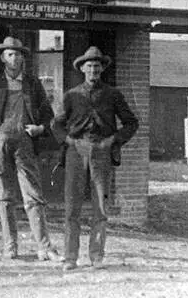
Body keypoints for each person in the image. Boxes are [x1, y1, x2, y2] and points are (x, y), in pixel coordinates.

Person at [0, 36, 60, 262]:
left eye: (19, 54)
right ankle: (10, 246)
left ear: (23, 58)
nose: (15, 58)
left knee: (33, 195)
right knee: (5, 196)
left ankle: (44, 247)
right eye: (10, 54)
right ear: (3, 58)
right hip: (0, 143)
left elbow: (48, 114)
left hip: (25, 143)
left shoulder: (32, 83)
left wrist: (40, 128)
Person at [52, 46, 139, 271]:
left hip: (101, 153)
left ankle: (96, 256)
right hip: (76, 152)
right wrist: (69, 141)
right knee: (72, 207)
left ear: (102, 68)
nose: (93, 70)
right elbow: (57, 124)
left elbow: (131, 122)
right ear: (82, 69)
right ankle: (71, 257)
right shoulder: (71, 95)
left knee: (101, 207)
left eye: (97, 65)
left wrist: (113, 140)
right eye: (89, 66)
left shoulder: (113, 94)